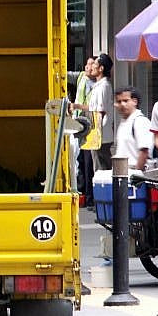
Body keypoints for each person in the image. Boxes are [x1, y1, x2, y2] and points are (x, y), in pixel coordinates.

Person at [69, 56, 96, 205]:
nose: (88, 67)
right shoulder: (81, 77)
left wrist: (77, 106)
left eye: (91, 65)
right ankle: (82, 193)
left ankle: (88, 196)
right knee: (78, 159)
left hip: (90, 127)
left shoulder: (99, 85)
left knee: (87, 162)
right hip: (77, 123)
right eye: (86, 64)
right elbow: (64, 75)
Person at [113, 86, 153, 171]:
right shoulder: (124, 122)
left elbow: (144, 151)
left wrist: (137, 176)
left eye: (126, 100)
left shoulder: (140, 121)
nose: (122, 104)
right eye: (119, 101)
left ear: (135, 101)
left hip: (133, 173)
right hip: (122, 172)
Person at [87, 52, 114, 171]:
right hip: (98, 135)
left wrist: (95, 136)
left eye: (95, 64)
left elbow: (100, 112)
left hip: (101, 137)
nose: (92, 66)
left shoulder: (104, 86)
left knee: (101, 171)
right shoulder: (98, 85)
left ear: (101, 68)